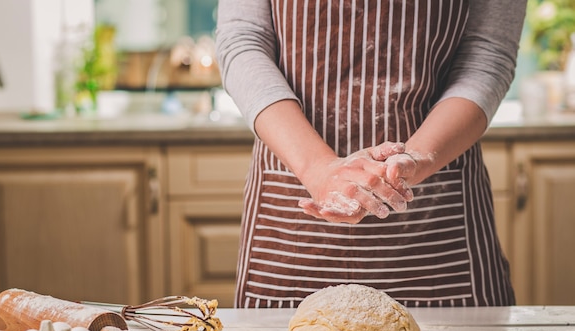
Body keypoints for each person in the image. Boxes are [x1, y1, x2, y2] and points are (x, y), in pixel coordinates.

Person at [215, 1, 527, 308]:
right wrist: (316, 167)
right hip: (291, 218)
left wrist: (420, 157)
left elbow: (487, 54)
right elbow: (243, 40)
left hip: (438, 227)